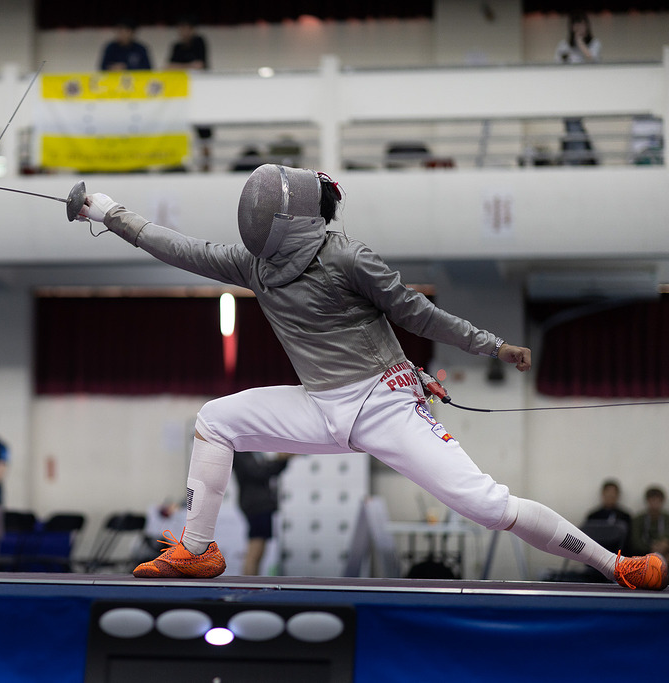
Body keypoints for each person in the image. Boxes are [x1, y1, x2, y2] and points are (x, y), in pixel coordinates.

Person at [75, 164, 669, 590]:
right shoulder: (254, 265)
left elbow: (416, 313)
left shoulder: (346, 256)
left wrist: (491, 346)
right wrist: (103, 209)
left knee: (489, 505)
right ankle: (198, 550)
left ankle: (616, 565)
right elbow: (173, 246)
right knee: (215, 420)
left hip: (384, 407)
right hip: (320, 407)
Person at [233, 451, 294, 575]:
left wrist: (283, 459)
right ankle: (248, 582)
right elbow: (258, 472)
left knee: (259, 548)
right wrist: (280, 459)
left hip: (261, 503)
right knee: (256, 547)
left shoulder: (252, 451)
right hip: (255, 504)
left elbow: (268, 470)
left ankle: (250, 581)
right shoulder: (242, 451)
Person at [167, 15, 213, 172]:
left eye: (186, 28)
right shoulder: (176, 47)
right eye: (181, 29)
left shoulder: (199, 42)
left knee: (204, 133)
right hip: (182, 95)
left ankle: (206, 167)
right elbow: (168, 68)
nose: (183, 32)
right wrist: (188, 66)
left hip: (201, 94)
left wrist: (180, 67)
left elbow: (200, 66)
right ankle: (178, 166)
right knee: (179, 130)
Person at [555, 12, 600, 165]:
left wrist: (580, 42)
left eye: (582, 24)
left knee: (575, 128)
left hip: (587, 91)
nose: (579, 28)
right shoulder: (564, 45)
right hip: (568, 93)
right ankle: (576, 161)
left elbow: (592, 60)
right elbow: (556, 66)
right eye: (576, 24)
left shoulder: (594, 44)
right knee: (572, 127)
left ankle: (577, 161)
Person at [631, 486, 669, 557]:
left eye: (658, 501)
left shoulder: (667, 518)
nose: (655, 504)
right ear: (647, 501)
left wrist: (665, 544)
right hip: (643, 553)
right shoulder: (638, 519)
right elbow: (636, 541)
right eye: (652, 500)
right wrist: (650, 547)